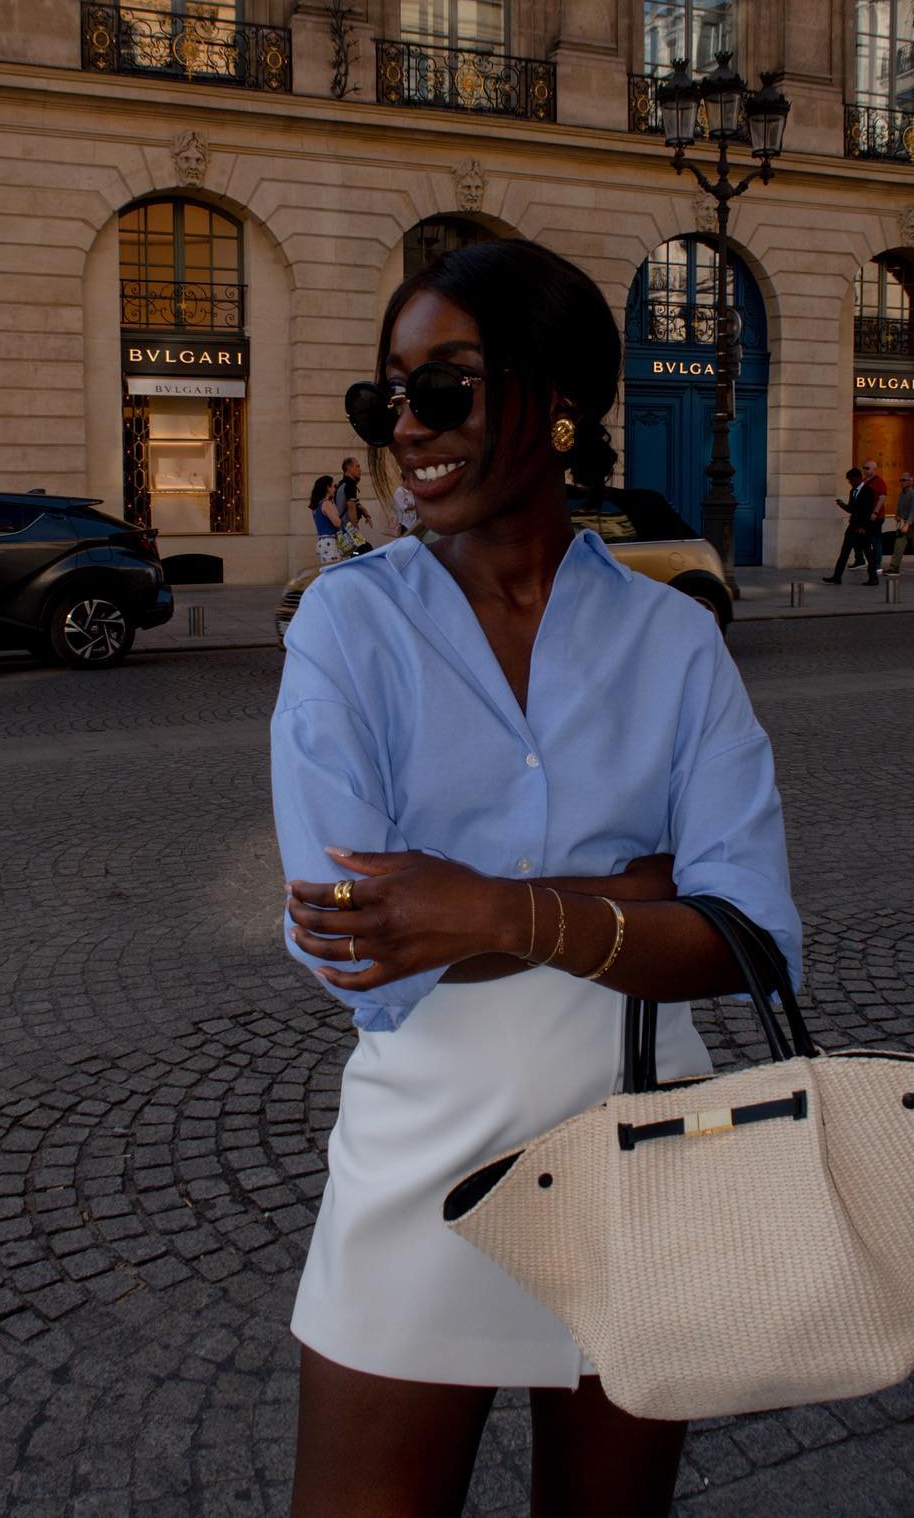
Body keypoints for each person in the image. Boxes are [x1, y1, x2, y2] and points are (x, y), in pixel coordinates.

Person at [272, 238, 801, 1518]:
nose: (407, 427)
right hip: (420, 1164)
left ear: (556, 402)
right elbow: (356, 935)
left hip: (646, 1143)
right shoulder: (348, 624)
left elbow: (747, 937)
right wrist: (638, 893)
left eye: (441, 388)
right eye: (387, 398)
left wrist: (488, 906)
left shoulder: (674, 642)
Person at [823, 467, 878, 584]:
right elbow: (852, 509)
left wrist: (864, 527)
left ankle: (873, 578)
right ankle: (837, 577)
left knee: (868, 553)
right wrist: (842, 504)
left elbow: (868, 511)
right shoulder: (853, 491)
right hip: (853, 526)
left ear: (858, 478)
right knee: (844, 552)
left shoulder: (868, 491)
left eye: (851, 480)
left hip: (863, 528)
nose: (849, 482)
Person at [884, 471, 914, 577]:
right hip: (904, 522)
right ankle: (894, 569)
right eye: (901, 480)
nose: (901, 482)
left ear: (910, 481)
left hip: (913, 524)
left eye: (904, 480)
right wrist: (898, 515)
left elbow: (913, 511)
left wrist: (907, 524)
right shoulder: (901, 494)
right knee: (898, 546)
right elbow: (899, 507)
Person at [336, 455, 372, 551]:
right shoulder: (350, 484)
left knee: (354, 553)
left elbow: (356, 504)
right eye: (357, 466)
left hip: (342, 529)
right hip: (348, 528)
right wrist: (356, 529)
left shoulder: (342, 484)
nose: (360, 470)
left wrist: (366, 515)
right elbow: (351, 507)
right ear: (349, 468)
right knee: (366, 550)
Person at [861, 459, 888, 580]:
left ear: (874, 469)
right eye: (864, 467)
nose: (865, 470)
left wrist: (875, 513)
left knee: (875, 540)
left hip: (876, 517)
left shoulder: (879, 482)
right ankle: (865, 562)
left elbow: (882, 498)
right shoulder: (863, 481)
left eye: (867, 468)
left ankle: (877, 565)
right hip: (866, 516)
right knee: (865, 541)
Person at [309, 474, 344, 564]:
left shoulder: (316, 506)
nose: (335, 489)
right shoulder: (327, 504)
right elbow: (337, 523)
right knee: (336, 569)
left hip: (323, 542)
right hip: (331, 542)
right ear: (328, 488)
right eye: (334, 486)